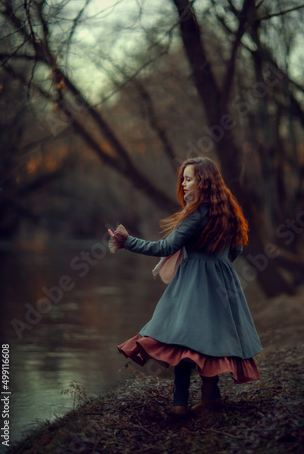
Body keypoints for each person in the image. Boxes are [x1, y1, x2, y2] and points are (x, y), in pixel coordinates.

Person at [108, 157, 262, 417]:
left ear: (203, 182)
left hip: (193, 284)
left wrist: (127, 241)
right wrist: (219, 267)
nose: (183, 184)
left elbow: (166, 248)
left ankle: (179, 404)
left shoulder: (197, 214)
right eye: (183, 178)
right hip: (224, 281)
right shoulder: (229, 212)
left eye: (189, 178)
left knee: (180, 340)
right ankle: (210, 398)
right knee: (210, 341)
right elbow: (237, 249)